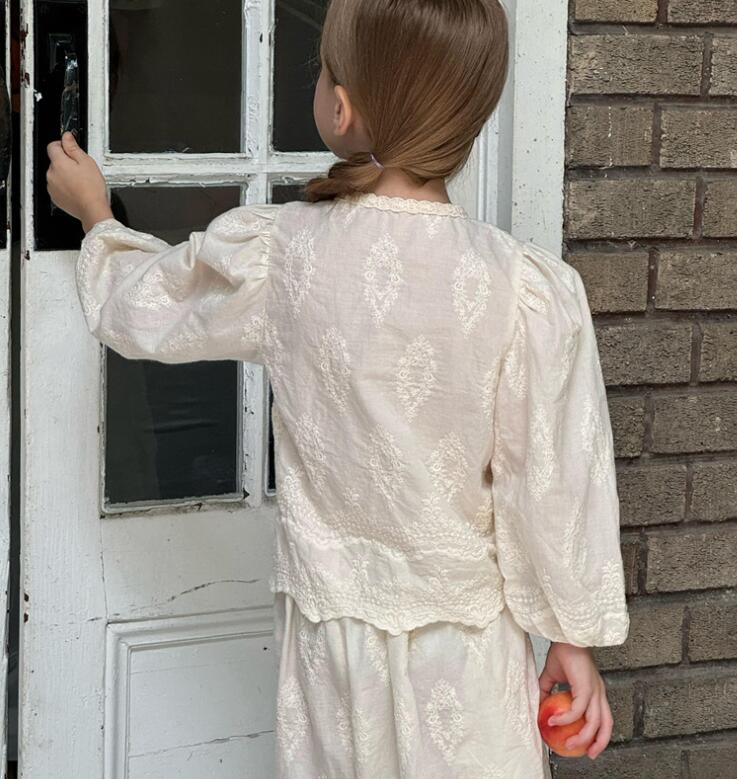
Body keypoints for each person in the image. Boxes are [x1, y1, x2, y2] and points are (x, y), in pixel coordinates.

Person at [46, 0, 629, 776]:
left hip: (331, 655)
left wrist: (94, 213)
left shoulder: (284, 254)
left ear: (341, 107)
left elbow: (145, 309)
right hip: (465, 661)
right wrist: (569, 639)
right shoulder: (520, 289)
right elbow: (553, 483)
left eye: (321, 69)